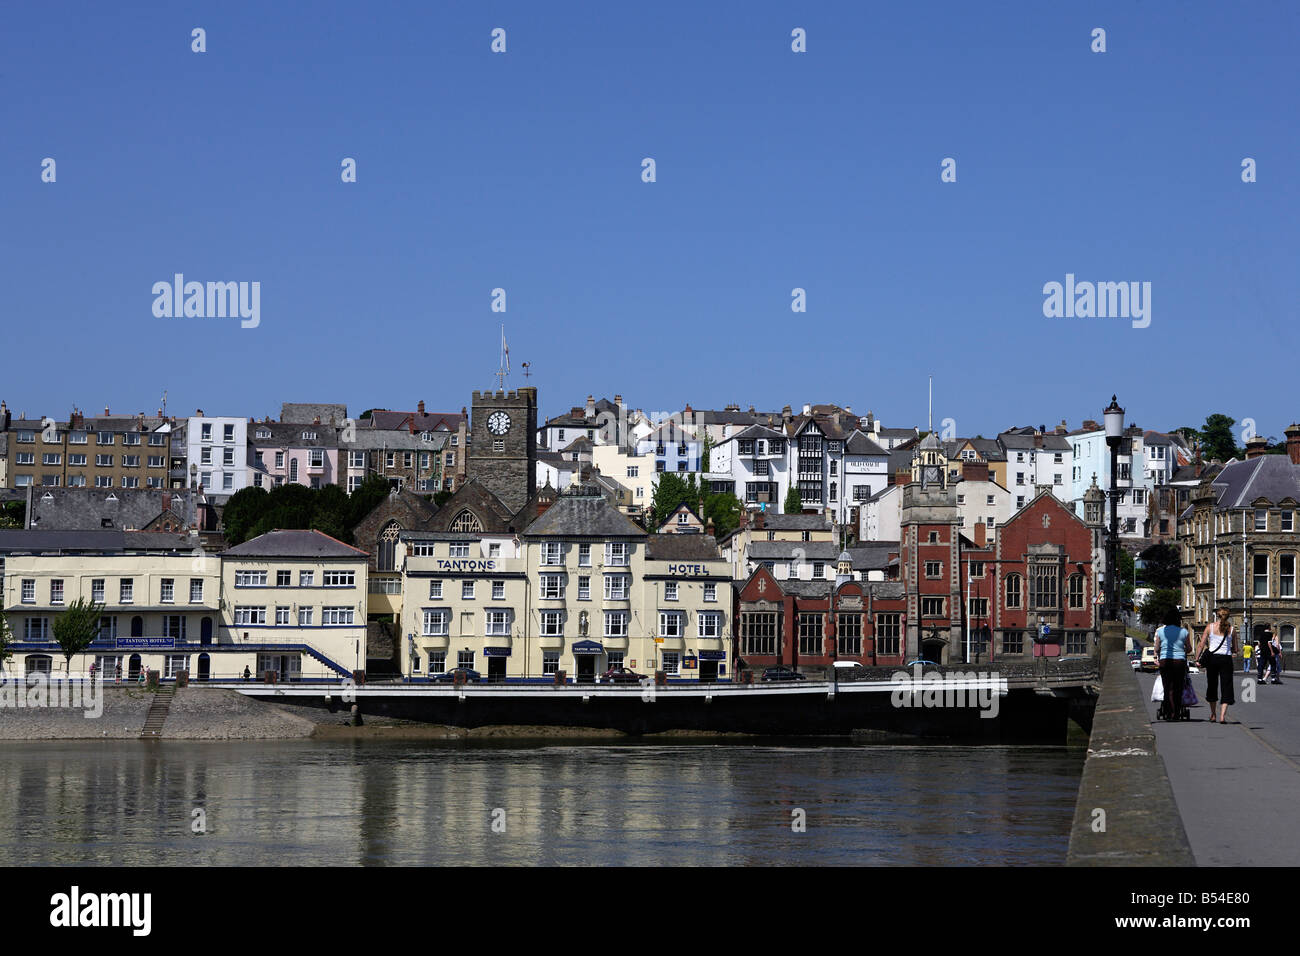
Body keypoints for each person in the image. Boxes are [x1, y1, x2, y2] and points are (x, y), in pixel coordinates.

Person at [1196, 606, 1239, 724]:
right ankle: (1222, 716)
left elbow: (1201, 644)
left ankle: (1213, 714)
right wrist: (1231, 649)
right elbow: (1235, 649)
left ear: (1217, 615)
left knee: (1212, 685)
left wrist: (1197, 659)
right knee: (1226, 686)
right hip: (1226, 659)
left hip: (1212, 659)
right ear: (1228, 616)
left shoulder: (1210, 627)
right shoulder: (1232, 630)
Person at [1154, 608, 1192, 720]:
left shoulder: (1160, 632)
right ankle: (1176, 712)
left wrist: (1159, 654)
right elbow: (1189, 648)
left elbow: (1157, 648)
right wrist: (1182, 650)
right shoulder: (1184, 632)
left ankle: (1168, 711)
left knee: (1167, 687)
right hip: (1179, 661)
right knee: (1178, 687)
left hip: (1165, 661)